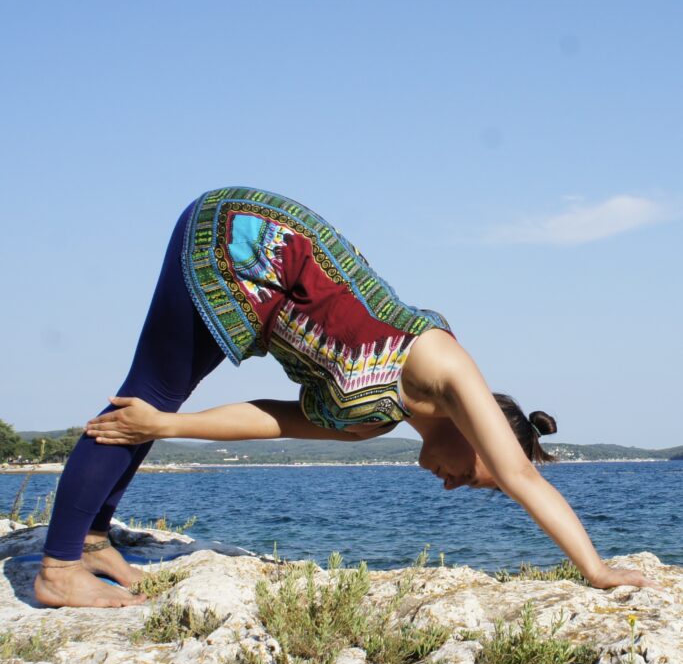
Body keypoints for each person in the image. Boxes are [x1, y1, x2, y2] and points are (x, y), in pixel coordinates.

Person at [35, 187, 661, 608]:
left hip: (257, 287)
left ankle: (89, 538)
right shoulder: (442, 363)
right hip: (247, 242)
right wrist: (596, 571)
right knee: (149, 390)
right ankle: (58, 567)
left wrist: (172, 426)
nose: (451, 486)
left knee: (155, 405)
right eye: (474, 477)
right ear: (480, 433)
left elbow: (273, 420)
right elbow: (520, 472)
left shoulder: (368, 422)